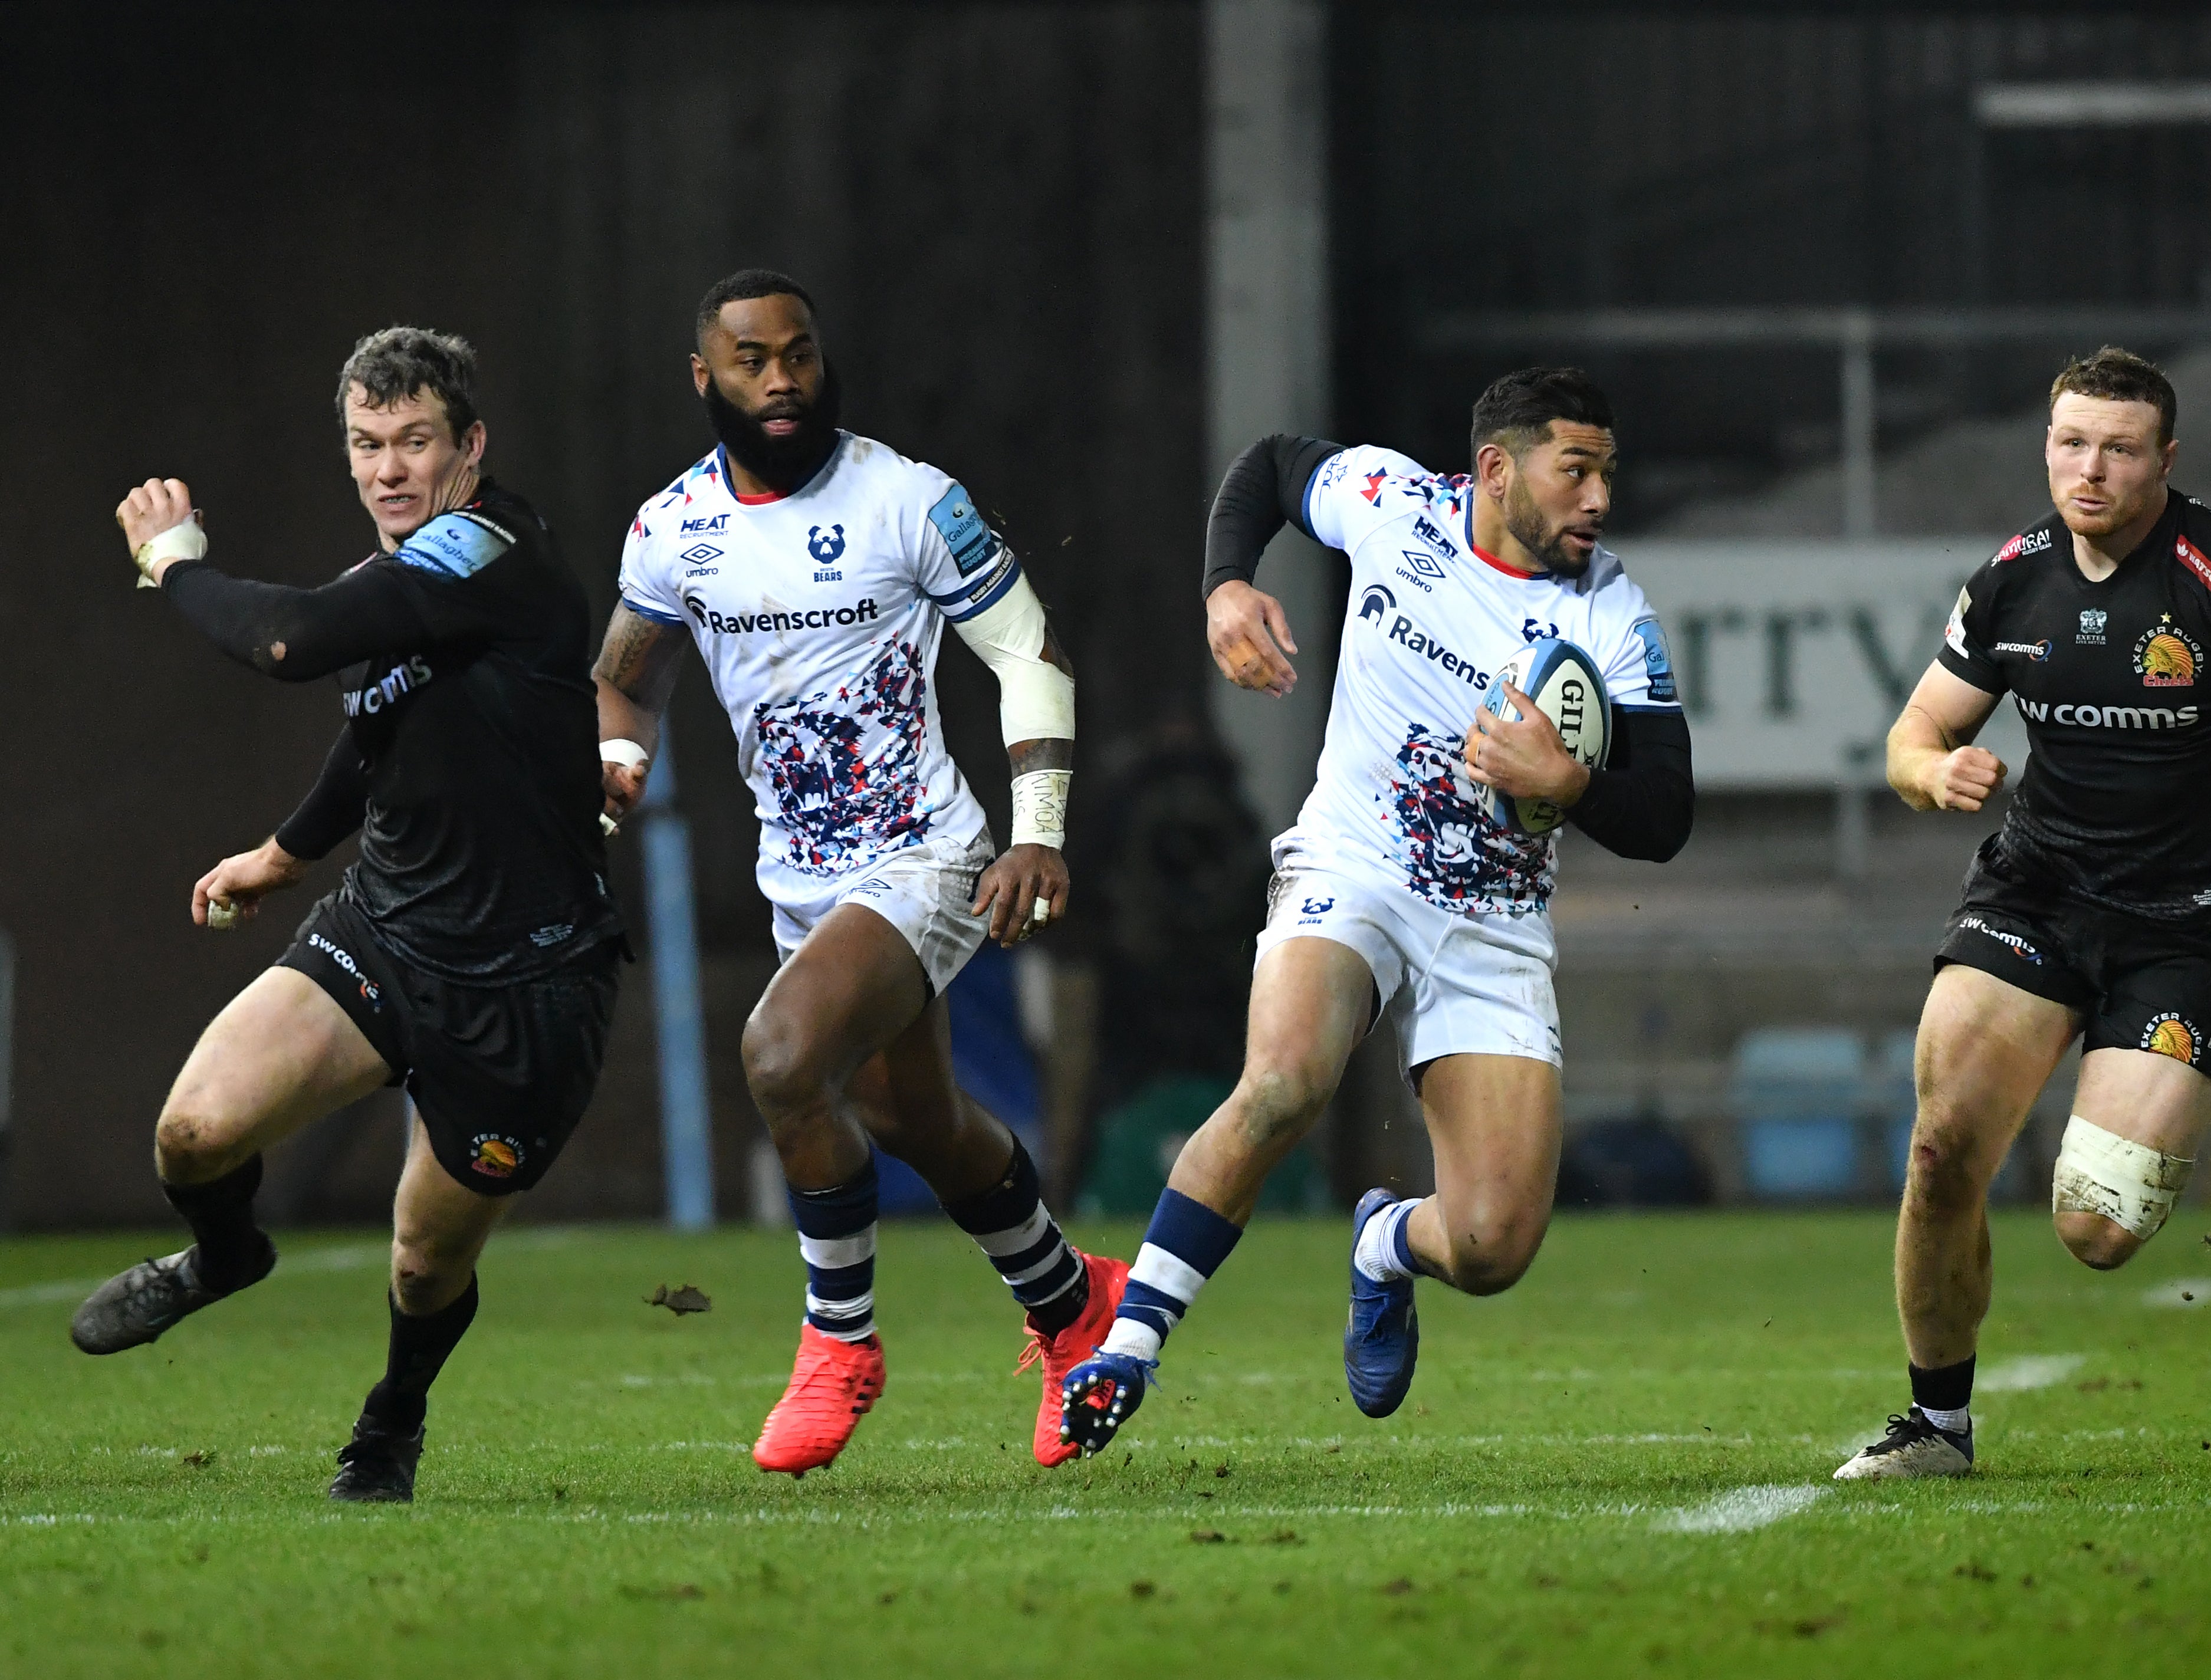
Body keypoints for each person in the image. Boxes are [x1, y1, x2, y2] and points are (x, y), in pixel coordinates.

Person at [1058, 366, 1696, 1455]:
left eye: (1607, 474)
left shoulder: (1611, 616)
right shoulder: (1392, 504)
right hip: (1353, 862)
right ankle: (1126, 1344)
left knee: (1492, 1246)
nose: (1598, 499)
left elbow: (1666, 815)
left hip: (1491, 918)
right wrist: (1225, 585)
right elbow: (1264, 470)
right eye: (1575, 471)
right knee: (1283, 1078)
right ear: (1496, 470)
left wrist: (1568, 781)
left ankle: (1385, 1243)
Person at [1835, 347, 2211, 1480]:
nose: (2087, 469)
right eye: (2068, 442)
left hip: (2185, 927)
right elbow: (1912, 736)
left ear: (2164, 459)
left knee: (2095, 1228)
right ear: (2044, 444)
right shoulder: (2012, 576)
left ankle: (2131, 1093)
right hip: (2036, 894)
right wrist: (1929, 775)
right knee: (1943, 1146)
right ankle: (1936, 1428)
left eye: (2117, 447)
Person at [75, 328, 626, 1504]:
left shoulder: (491, 553)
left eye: (414, 441)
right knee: (194, 1133)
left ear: (469, 448)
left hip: (524, 990)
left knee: (424, 1264)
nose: (388, 469)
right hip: (381, 935)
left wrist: (172, 562)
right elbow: (374, 725)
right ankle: (227, 1255)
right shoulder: (400, 574)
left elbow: (292, 643)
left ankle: (392, 1421)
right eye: (367, 445)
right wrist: (282, 855)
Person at [594, 269, 1122, 1474]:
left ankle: (841, 1344)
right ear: (704, 378)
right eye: (751, 362)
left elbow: (1029, 655)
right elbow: (625, 671)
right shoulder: (671, 528)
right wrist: (621, 755)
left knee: (781, 1056)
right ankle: (1070, 1304)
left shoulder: (911, 502)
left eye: (799, 355)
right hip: (804, 879)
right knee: (907, 1116)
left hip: (926, 858)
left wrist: (1036, 828)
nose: (781, 381)